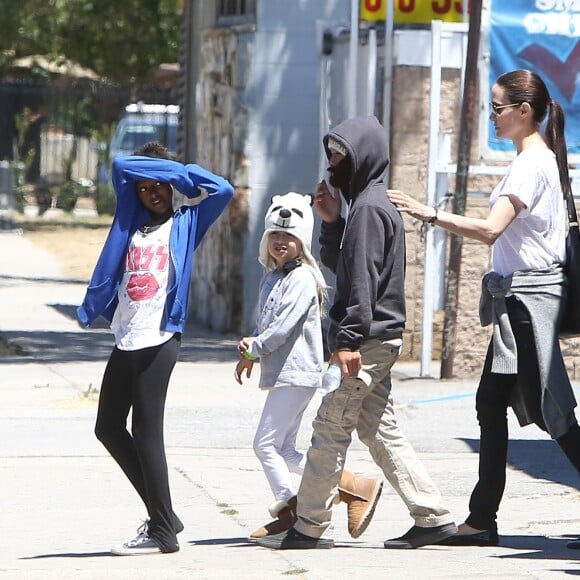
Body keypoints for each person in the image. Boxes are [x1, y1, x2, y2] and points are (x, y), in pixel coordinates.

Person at [388, 69, 580, 546]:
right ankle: (480, 520)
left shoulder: (530, 164)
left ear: (523, 111)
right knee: (491, 404)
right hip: (523, 302)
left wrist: (428, 213)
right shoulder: (541, 159)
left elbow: (491, 230)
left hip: (528, 304)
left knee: (555, 414)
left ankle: (480, 520)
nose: (491, 116)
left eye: (497, 108)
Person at [257, 115, 456, 551]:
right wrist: (331, 220)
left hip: (365, 343)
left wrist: (346, 342)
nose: (332, 168)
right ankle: (433, 515)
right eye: (330, 157)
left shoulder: (368, 209)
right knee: (379, 429)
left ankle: (308, 526)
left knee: (329, 429)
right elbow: (345, 265)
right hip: (378, 339)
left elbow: (361, 285)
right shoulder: (368, 205)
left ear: (363, 157)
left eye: (340, 158)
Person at [77, 142, 233, 555]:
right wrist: (148, 175)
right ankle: (165, 515)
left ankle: (163, 531)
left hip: (159, 338)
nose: (155, 194)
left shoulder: (186, 221)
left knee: (147, 433)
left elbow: (223, 190)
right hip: (126, 336)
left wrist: (178, 172)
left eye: (161, 186)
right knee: (108, 427)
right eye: (145, 188)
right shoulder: (128, 223)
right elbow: (119, 164)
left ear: (172, 186)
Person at [236, 192, 383, 541]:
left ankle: (289, 507)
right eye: (274, 235)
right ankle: (353, 485)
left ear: (302, 241)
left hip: (297, 372)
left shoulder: (302, 277)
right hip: (284, 372)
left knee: (265, 445)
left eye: (289, 237)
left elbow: (283, 326)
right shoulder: (273, 276)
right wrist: (251, 352)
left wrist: (255, 348)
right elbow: (266, 321)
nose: (280, 242)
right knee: (284, 448)